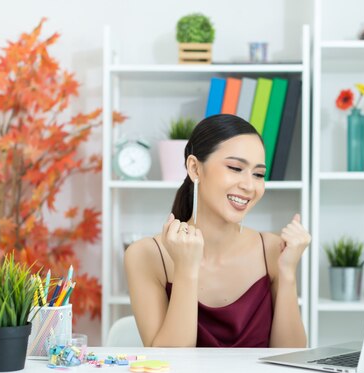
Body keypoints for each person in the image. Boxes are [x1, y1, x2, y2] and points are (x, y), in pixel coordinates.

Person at [124, 114, 310, 348]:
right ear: (194, 168)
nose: (249, 185)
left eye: (258, 174)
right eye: (235, 168)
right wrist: (186, 270)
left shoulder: (272, 250)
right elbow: (171, 363)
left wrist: (288, 273)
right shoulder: (146, 255)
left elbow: (290, 359)